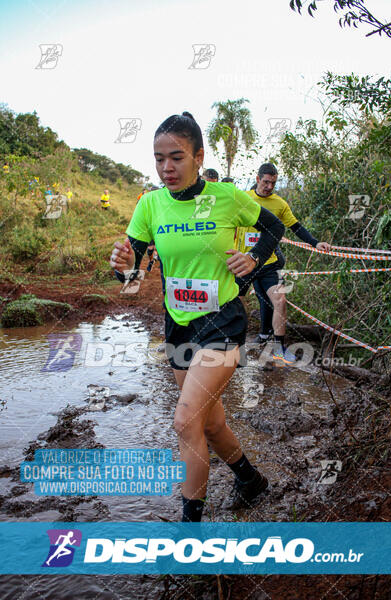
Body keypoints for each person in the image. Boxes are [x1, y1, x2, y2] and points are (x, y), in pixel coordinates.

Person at [110, 112, 285, 521]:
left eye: (176, 157)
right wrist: (121, 266)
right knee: (208, 422)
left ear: (197, 155)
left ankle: (190, 532)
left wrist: (254, 259)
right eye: (158, 159)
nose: (166, 168)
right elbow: (134, 268)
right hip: (178, 324)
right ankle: (250, 479)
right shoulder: (150, 205)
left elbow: (274, 227)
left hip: (222, 319)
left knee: (185, 419)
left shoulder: (227, 196)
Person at [235, 163, 331, 364]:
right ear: (258, 178)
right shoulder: (241, 198)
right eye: (266, 182)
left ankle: (279, 346)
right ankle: (236, 344)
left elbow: (296, 227)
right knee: (237, 303)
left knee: (280, 300)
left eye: (273, 183)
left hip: (267, 261)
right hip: (243, 261)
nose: (269, 186)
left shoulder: (279, 204)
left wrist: (315, 242)